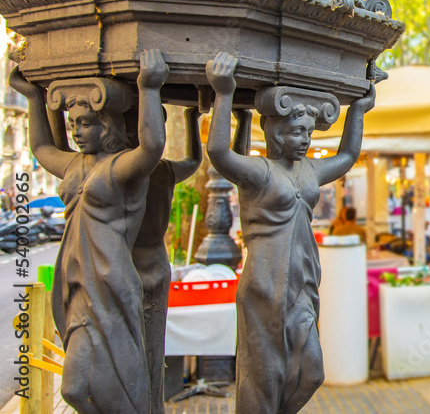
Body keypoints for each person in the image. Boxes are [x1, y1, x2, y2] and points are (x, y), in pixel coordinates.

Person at [206, 52, 375, 412]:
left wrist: (358, 112)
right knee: (263, 377)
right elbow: (219, 152)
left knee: (311, 371)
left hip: (302, 284)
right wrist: (223, 93)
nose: (306, 140)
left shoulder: (309, 171)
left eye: (309, 133)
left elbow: (347, 156)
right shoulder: (260, 172)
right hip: (266, 284)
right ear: (276, 132)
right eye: (298, 132)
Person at [10, 51, 169, 413]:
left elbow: (152, 147)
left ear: (108, 126)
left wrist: (149, 87)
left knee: (112, 381)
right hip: (77, 285)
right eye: (74, 125)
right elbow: (41, 148)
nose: (78, 133)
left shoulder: (120, 168)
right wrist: (35, 97)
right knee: (75, 389)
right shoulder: (75, 164)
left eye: (86, 124)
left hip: (110, 284)